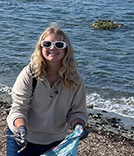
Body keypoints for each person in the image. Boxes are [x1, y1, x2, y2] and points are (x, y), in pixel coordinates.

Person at [6, 25, 88, 156]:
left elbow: (77, 112)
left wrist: (78, 126)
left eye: (59, 44)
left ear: (66, 49)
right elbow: (19, 107)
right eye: (47, 43)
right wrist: (21, 129)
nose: (52, 48)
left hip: (54, 140)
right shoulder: (29, 73)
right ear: (41, 47)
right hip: (22, 138)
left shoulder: (75, 80)